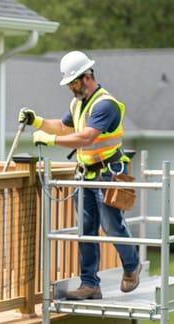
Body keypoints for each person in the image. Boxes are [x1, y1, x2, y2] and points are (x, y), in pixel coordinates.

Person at [21, 50, 141, 300]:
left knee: (111, 226)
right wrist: (37, 121)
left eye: (72, 83)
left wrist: (51, 140)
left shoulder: (105, 104)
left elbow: (86, 137)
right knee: (85, 230)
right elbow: (64, 126)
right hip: (85, 176)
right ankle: (90, 284)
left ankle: (132, 266)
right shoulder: (78, 103)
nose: (70, 88)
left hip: (109, 174)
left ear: (86, 77)